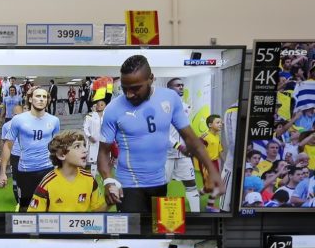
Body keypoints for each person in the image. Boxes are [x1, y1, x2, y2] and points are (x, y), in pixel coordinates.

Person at [98, 55, 223, 213]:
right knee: (132, 236)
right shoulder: (113, 109)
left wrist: (211, 170)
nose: (129, 94)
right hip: (128, 185)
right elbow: (103, 152)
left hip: (159, 183)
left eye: (136, 88)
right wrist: (108, 181)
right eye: (125, 88)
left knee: (158, 234)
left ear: (151, 79)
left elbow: (190, 138)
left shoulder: (170, 99)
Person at [0, 87, 61, 211]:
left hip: (47, 170)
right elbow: (8, 145)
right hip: (25, 170)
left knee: (49, 206)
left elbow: (57, 146)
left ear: (48, 101)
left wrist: (60, 167)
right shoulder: (18, 120)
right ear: (31, 99)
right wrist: (2, 172)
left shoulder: (54, 121)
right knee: (25, 207)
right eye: (38, 96)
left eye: (44, 97)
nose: (41, 99)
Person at [27, 130, 106, 213]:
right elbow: (33, 217)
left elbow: (98, 212)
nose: (85, 150)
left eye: (84, 145)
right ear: (61, 155)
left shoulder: (89, 179)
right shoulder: (47, 183)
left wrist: (109, 203)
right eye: (77, 146)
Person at [163, 78, 202, 212]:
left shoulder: (186, 107)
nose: (181, 87)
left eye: (182, 85)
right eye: (177, 85)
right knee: (161, 186)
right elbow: (162, 132)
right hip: (165, 155)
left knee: (191, 183)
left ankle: (196, 214)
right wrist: (177, 145)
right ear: (169, 89)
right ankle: (162, 217)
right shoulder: (162, 108)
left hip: (184, 155)